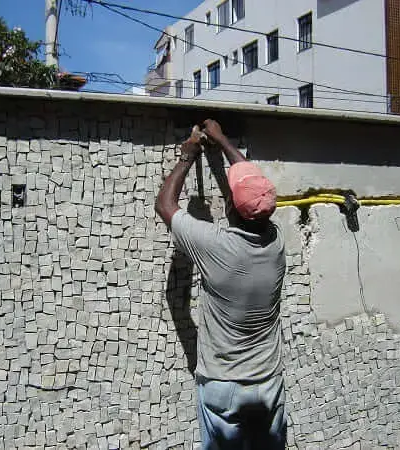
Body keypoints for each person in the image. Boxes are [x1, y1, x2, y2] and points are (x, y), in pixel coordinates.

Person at [155, 119, 287, 449]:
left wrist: (188, 155)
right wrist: (224, 141)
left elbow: (165, 206)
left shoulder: (216, 246)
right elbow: (254, 189)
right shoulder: (275, 243)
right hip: (268, 383)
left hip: (224, 388)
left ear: (229, 207)